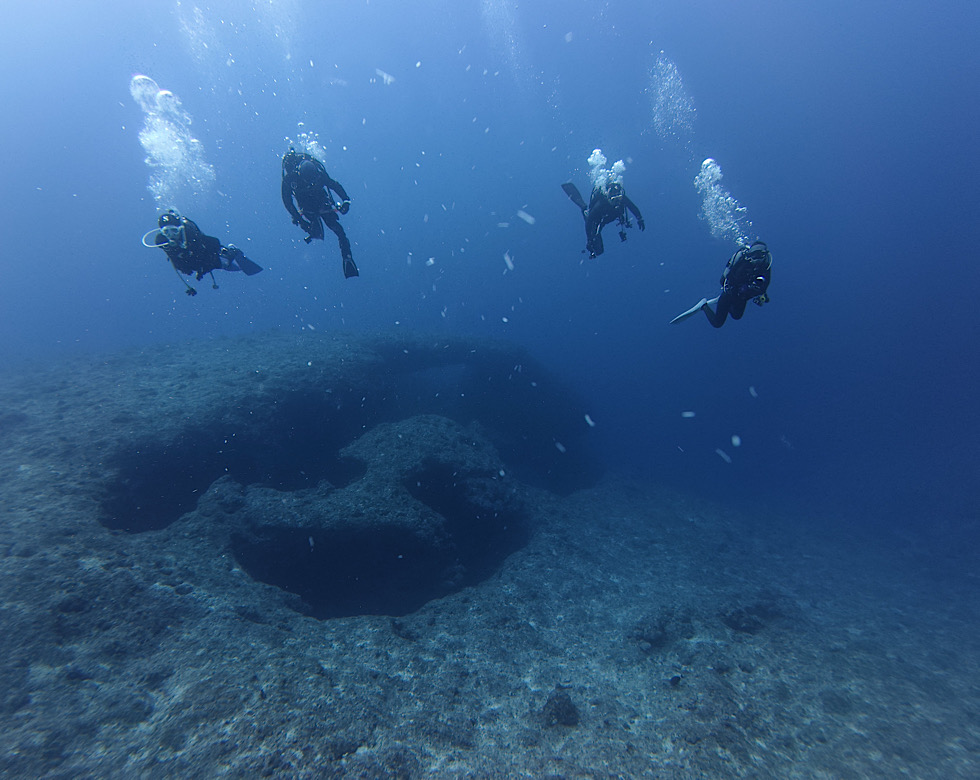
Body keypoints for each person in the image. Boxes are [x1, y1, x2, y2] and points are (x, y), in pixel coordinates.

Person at [142, 210, 262, 296]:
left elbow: (213, 243)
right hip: (196, 265)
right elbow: (178, 263)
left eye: (173, 231)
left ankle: (233, 251)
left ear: (180, 229)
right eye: (166, 232)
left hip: (211, 259)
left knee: (228, 265)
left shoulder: (190, 234)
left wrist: (202, 269)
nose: (171, 235)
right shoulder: (164, 244)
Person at [281, 147, 359, 278]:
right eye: (308, 182)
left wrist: (346, 202)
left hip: (321, 202)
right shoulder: (290, 179)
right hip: (307, 207)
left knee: (338, 230)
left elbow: (334, 185)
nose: (310, 184)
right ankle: (314, 230)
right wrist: (301, 221)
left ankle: (347, 257)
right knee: (318, 232)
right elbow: (288, 203)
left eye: (313, 181)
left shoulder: (319, 174)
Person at [670, 241, 772, 327]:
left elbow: (765, 285)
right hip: (730, 293)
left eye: (759, 255)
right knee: (717, 323)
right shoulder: (743, 264)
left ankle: (721, 302)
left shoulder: (766, 266)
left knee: (737, 316)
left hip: (743, 296)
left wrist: (760, 295)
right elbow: (729, 279)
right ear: (749, 254)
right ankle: (703, 305)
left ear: (765, 255)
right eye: (753, 255)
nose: (756, 259)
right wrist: (745, 287)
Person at [563, 179, 645, 258]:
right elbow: (589, 222)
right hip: (599, 219)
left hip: (609, 217)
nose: (616, 200)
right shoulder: (601, 203)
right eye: (613, 198)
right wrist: (589, 239)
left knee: (598, 246)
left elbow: (633, 207)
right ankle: (584, 208)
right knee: (598, 249)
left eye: (618, 197)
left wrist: (640, 219)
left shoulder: (622, 198)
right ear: (608, 196)